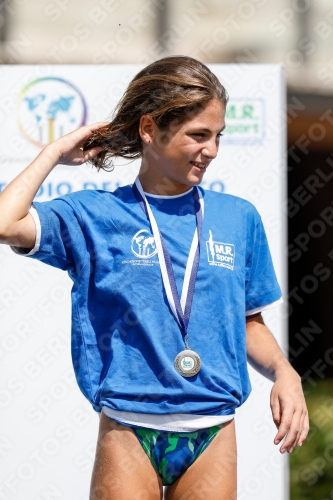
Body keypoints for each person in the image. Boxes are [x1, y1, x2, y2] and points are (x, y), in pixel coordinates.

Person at [0, 56, 308, 500]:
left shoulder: (238, 217)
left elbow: (245, 324)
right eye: (198, 135)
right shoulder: (96, 214)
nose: (212, 150)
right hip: (129, 424)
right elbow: (7, 224)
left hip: (213, 429)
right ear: (149, 129)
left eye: (217, 136)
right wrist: (53, 153)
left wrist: (284, 371)